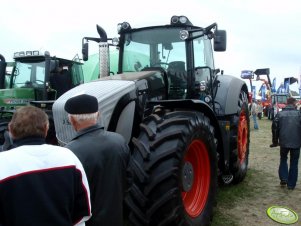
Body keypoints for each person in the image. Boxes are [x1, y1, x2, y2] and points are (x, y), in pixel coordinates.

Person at [0, 106, 91, 226]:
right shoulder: (68, 157)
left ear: (10, 129)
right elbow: (83, 209)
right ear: (46, 128)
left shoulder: (3, 162)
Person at [64, 94, 130, 226]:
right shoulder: (119, 141)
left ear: (71, 120)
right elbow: (128, 180)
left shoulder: (69, 151)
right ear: (98, 115)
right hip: (118, 218)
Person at [270, 97, 301, 190]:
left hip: (283, 142)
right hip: (296, 142)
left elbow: (274, 128)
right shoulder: (299, 114)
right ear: (294, 104)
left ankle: (284, 178)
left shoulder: (280, 114)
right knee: (294, 163)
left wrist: (275, 142)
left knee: (283, 159)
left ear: (287, 103)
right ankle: (291, 185)